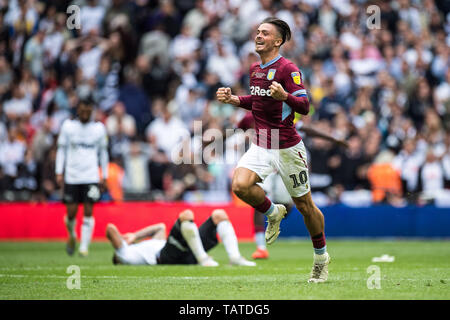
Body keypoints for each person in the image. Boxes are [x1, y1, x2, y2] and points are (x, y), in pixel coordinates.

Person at [216, 17, 330, 282]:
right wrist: (235, 100)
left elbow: (304, 106)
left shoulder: (288, 69)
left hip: (288, 148)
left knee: (305, 206)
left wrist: (285, 97)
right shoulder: (255, 69)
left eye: (264, 33)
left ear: (278, 41)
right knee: (240, 185)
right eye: (257, 31)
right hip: (262, 144)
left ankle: (321, 258)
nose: (258, 35)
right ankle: (273, 211)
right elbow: (257, 100)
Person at [106, 208, 256, 267]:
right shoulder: (124, 255)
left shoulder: (149, 245)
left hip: (183, 251)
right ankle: (203, 259)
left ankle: (235, 258)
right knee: (186, 216)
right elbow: (110, 228)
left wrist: (134, 235)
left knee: (219, 215)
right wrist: (126, 240)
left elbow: (160, 227)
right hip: (166, 257)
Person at [55, 97, 109, 257]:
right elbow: (61, 150)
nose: (85, 113)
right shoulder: (68, 127)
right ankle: (72, 235)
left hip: (91, 175)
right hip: (72, 176)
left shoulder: (99, 129)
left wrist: (104, 175)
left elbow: (103, 153)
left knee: (88, 210)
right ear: (77, 109)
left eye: (88, 110)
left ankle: (84, 247)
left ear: (92, 111)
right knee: (71, 213)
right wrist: (59, 171)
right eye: (83, 110)